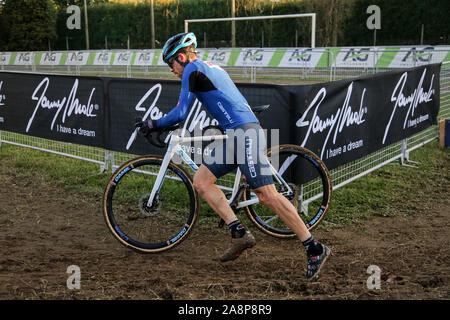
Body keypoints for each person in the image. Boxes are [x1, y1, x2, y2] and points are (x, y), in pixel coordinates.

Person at [135, 32, 330, 281]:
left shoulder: (192, 70)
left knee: (267, 194)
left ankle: (314, 248)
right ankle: (238, 233)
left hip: (244, 134)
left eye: (170, 64)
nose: (171, 70)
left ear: (181, 57)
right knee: (202, 182)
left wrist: (153, 123)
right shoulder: (204, 68)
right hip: (236, 134)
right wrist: (161, 124)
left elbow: (181, 112)